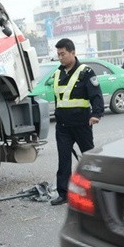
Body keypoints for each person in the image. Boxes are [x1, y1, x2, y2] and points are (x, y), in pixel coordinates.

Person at [50, 39, 104, 206]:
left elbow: (96, 95)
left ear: (73, 52)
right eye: (58, 54)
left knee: (89, 160)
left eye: (63, 54)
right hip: (63, 126)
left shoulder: (86, 72)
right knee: (64, 161)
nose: (60, 57)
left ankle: (96, 190)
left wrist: (96, 114)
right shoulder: (58, 73)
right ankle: (63, 193)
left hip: (82, 124)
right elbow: (58, 98)